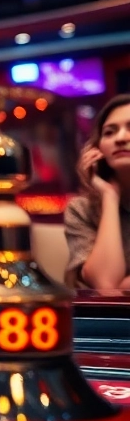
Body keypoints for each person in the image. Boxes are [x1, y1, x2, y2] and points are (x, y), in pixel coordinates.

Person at [64, 94, 130, 290]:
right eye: (109, 132)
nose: (120, 138)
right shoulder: (81, 210)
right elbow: (105, 285)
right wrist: (109, 196)